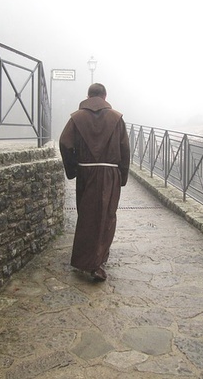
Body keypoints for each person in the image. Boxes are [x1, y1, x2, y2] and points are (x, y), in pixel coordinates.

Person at [59, 83, 130, 281]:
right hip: (110, 173)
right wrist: (122, 176)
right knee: (106, 217)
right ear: (105, 97)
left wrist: (73, 169)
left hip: (86, 172)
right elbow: (125, 149)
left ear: (89, 96)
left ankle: (88, 260)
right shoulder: (117, 118)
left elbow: (65, 143)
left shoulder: (77, 118)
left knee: (87, 215)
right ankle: (97, 263)